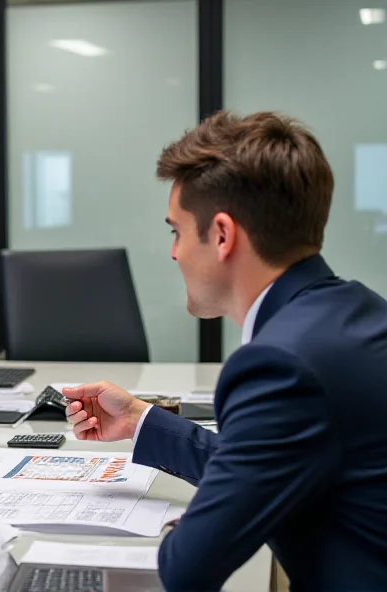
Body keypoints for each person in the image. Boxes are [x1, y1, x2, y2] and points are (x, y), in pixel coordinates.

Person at [64, 111, 387, 590]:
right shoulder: (357, 309)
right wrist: (138, 419)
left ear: (221, 235)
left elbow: (188, 567)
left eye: (176, 231)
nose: (174, 253)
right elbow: (269, 464)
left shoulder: (281, 364)